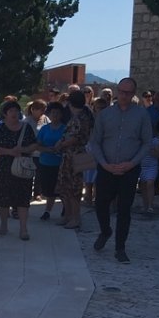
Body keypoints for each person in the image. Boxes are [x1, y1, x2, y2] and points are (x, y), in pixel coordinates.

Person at [89, 77, 153, 263]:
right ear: (118, 91)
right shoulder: (105, 114)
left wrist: (132, 163)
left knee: (124, 209)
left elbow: (146, 142)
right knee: (101, 204)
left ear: (133, 94)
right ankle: (105, 231)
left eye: (128, 92)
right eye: (122, 91)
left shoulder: (141, 115)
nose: (124, 95)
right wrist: (104, 164)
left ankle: (120, 247)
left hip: (129, 169)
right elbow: (96, 142)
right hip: (107, 167)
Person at [0, 100, 37, 239]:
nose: (14, 113)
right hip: (4, 167)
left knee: (23, 198)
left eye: (16, 110)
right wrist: (9, 151)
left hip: (22, 167)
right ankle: (4, 224)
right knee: (3, 198)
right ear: (5, 114)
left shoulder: (26, 127)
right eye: (11, 111)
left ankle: (23, 229)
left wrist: (23, 150)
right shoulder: (0, 128)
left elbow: (34, 144)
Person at [54, 89, 94, 229]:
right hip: (68, 156)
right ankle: (68, 215)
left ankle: (75, 218)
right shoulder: (78, 116)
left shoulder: (81, 118)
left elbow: (75, 138)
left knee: (74, 189)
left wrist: (60, 144)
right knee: (65, 187)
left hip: (74, 156)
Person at [35, 101, 66, 220]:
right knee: (48, 189)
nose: (55, 115)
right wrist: (47, 149)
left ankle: (66, 208)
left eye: (57, 113)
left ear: (61, 114)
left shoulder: (65, 129)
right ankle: (47, 211)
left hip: (60, 163)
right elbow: (37, 145)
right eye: (53, 113)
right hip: (45, 162)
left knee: (61, 188)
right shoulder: (44, 128)